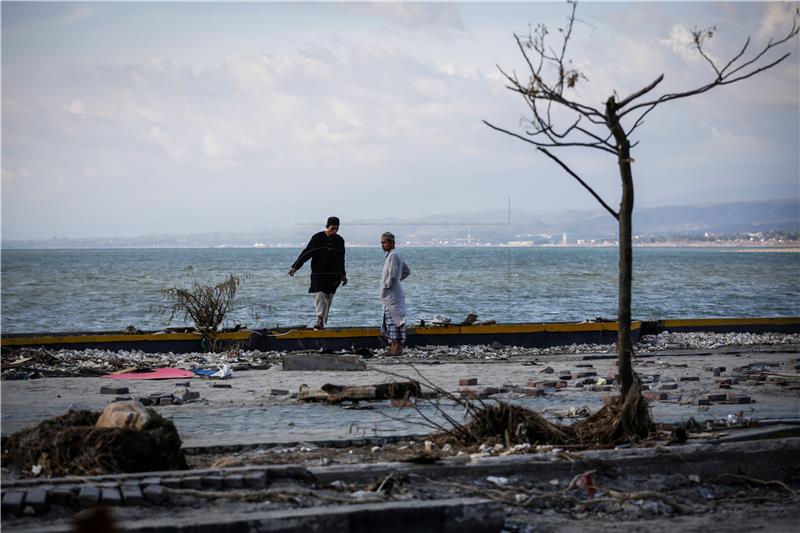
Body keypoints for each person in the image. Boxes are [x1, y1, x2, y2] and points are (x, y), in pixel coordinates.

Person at [289, 216, 347, 329]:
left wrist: (343, 275)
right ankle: (320, 319)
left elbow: (342, 258)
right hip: (318, 273)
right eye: (332, 228)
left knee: (328, 298)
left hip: (334, 275)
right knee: (319, 294)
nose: (334, 231)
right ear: (327, 226)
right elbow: (307, 253)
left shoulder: (340, 240)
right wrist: (295, 267)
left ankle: (321, 323)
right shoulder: (317, 238)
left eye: (337, 229)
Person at [379, 231, 411, 355]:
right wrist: (397, 280)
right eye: (381, 243)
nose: (383, 245)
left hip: (391, 295)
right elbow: (406, 272)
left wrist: (386, 286)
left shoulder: (393, 255)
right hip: (394, 294)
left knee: (393, 321)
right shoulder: (396, 254)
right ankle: (393, 346)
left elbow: (392, 276)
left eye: (384, 242)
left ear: (392, 243)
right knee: (392, 319)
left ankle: (396, 347)